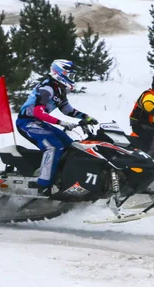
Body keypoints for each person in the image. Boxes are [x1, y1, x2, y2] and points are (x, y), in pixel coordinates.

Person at [16, 59, 98, 195]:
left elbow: (67, 110)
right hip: (27, 123)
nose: (73, 78)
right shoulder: (47, 88)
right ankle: (43, 184)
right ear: (60, 73)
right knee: (53, 147)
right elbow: (38, 112)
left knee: (71, 145)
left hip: (38, 122)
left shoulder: (59, 89)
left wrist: (86, 117)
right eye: (71, 75)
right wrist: (61, 123)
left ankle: (64, 178)